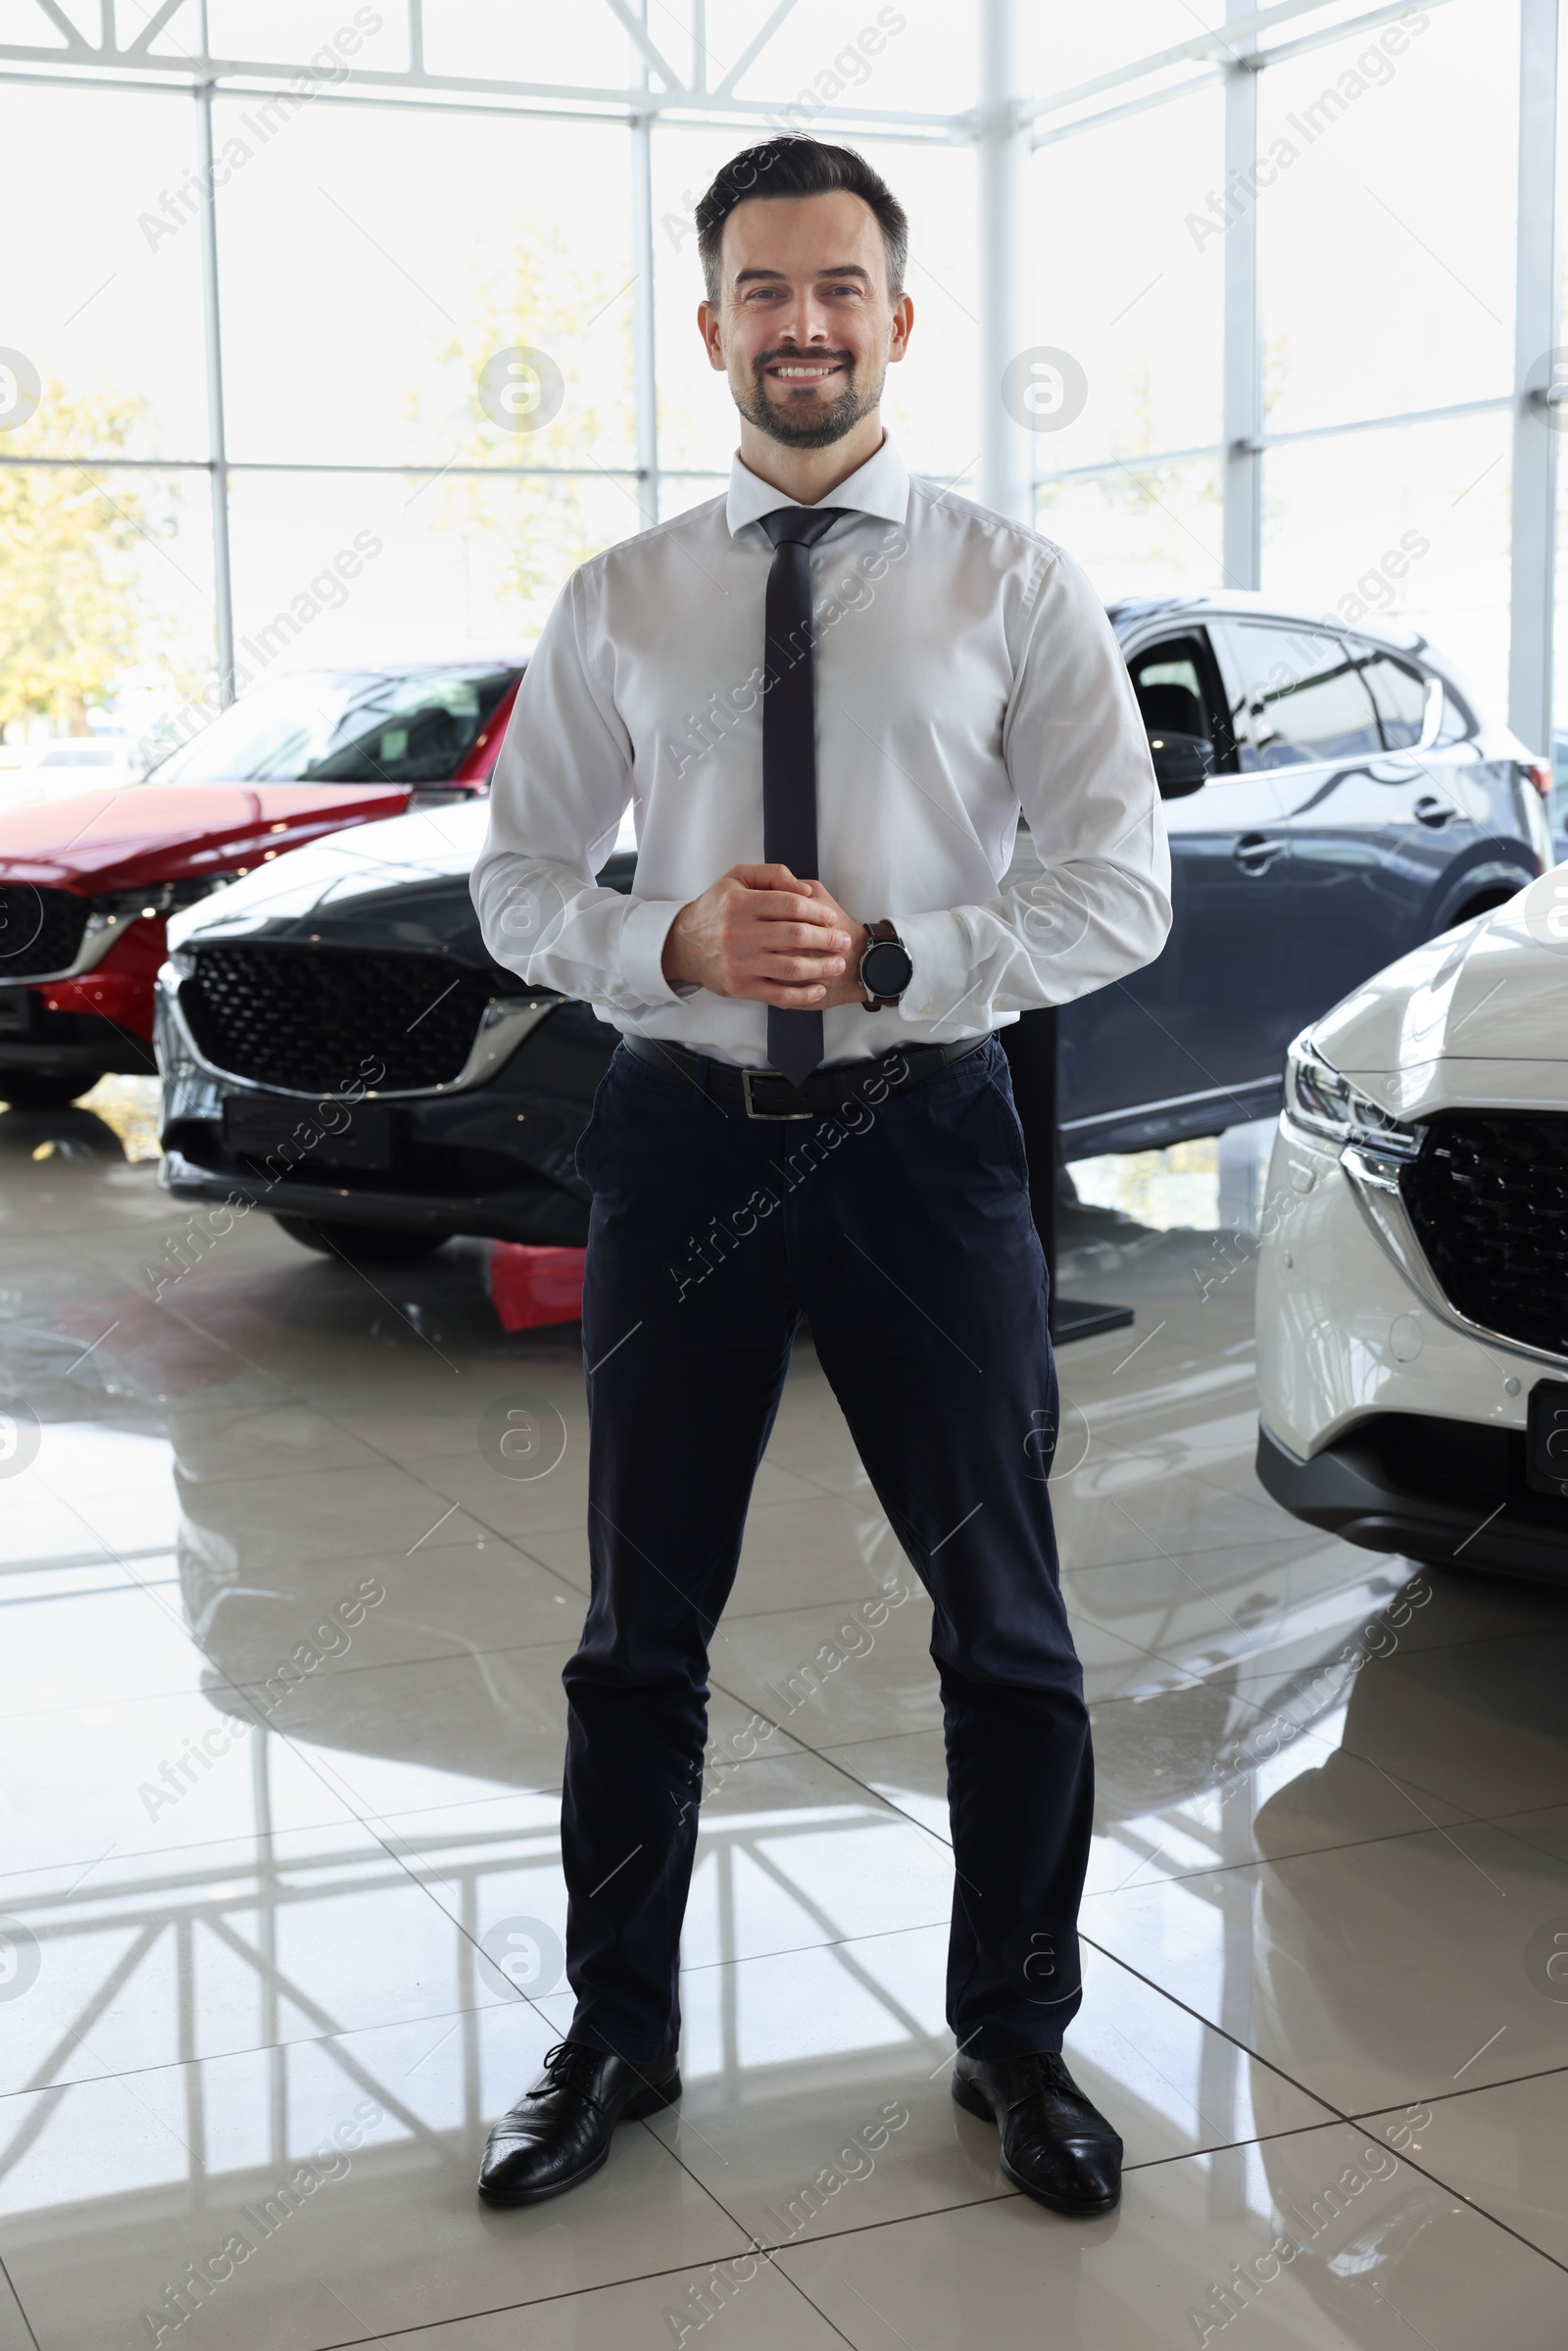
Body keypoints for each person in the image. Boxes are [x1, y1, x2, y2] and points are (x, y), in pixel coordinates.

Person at [470, 135, 1171, 2218]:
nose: (800, 322)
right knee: (633, 1638)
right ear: (710, 328)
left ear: (894, 313)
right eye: (761, 290)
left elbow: (1118, 886)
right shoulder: (621, 601)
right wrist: (654, 942)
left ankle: (1017, 2040)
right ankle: (617, 2037)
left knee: (1008, 1626)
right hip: (680, 1140)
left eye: (837, 285)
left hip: (920, 1140)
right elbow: (513, 878)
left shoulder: (1007, 582)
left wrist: (895, 956)